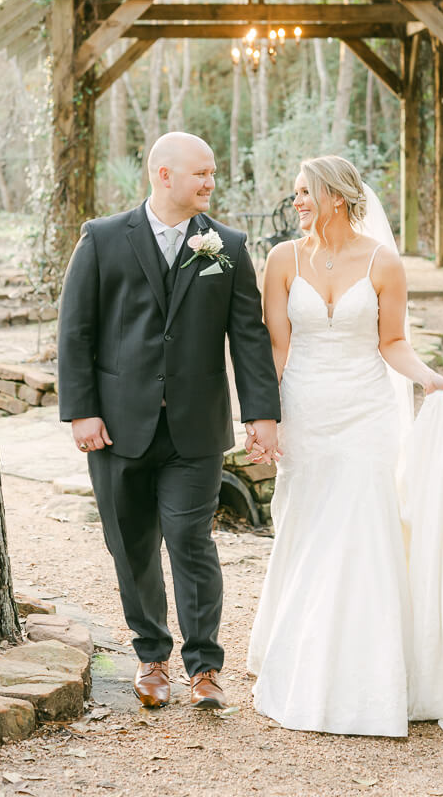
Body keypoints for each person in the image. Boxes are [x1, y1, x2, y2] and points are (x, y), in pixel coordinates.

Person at [248, 155, 443, 737]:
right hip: (307, 411)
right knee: (310, 527)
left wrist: (428, 378)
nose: (298, 203)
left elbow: (392, 341)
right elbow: (277, 350)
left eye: (305, 192)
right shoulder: (282, 260)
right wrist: (265, 418)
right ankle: (302, 661)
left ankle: (367, 677)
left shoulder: (384, 262)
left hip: (367, 412)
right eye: (295, 195)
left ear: (337, 195)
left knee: (362, 526)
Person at [57, 131, 281, 711]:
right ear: (163, 175)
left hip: (195, 428)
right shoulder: (103, 239)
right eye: (201, 173)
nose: (211, 182)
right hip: (115, 426)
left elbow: (249, 337)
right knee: (130, 544)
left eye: (212, 173)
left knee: (190, 539)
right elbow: (76, 330)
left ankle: (205, 667)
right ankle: (151, 655)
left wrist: (262, 414)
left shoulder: (227, 245)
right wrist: (81, 410)